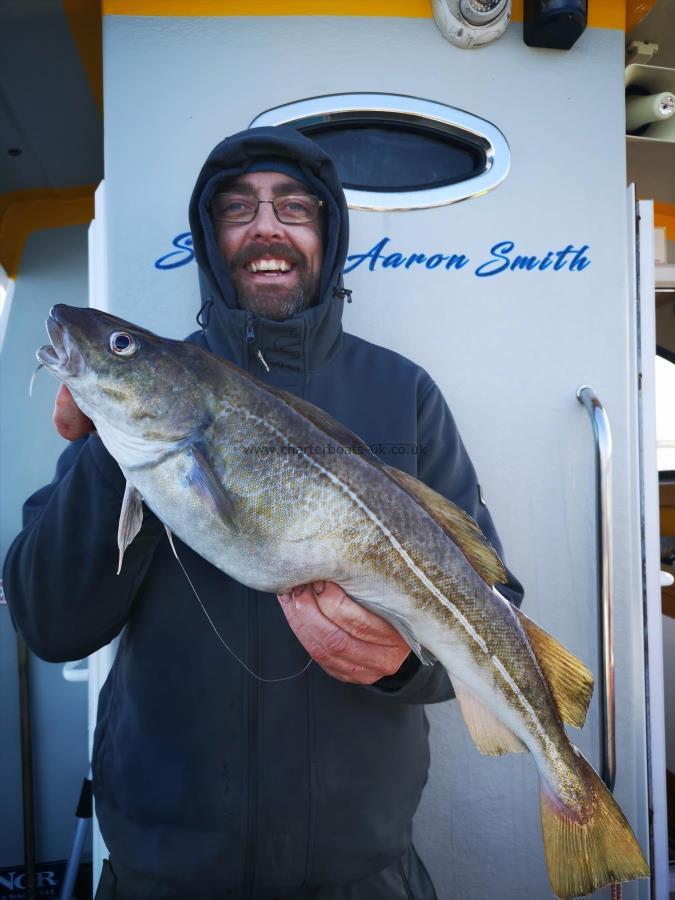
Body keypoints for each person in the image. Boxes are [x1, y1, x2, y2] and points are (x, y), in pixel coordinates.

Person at [3, 126, 523, 899]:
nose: (266, 226)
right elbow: (49, 622)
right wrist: (110, 456)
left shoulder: (402, 392)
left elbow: (490, 608)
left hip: (359, 867)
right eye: (238, 208)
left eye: (294, 207)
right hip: (163, 868)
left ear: (325, 234)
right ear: (213, 242)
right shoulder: (150, 389)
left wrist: (401, 666)